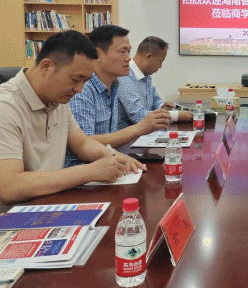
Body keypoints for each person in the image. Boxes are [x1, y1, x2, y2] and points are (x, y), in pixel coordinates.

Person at [0, 31, 145, 209]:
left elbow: (82, 143)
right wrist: (89, 171)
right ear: (46, 67)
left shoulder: (57, 99)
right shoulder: (5, 107)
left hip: (52, 202)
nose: (80, 90)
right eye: (76, 80)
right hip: (18, 215)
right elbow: (9, 186)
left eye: (85, 81)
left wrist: (114, 157)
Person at [65, 25, 171, 167]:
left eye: (129, 51)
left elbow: (110, 142)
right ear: (98, 54)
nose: (128, 58)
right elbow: (84, 143)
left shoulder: (114, 85)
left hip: (109, 164)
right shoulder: (83, 90)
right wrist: (139, 128)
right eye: (122, 52)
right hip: (84, 172)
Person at [118, 36, 192, 129]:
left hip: (146, 132)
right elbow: (138, 115)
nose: (160, 66)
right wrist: (176, 116)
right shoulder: (125, 76)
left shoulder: (146, 76)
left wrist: (162, 106)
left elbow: (155, 100)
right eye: (160, 61)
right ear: (149, 57)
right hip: (129, 135)